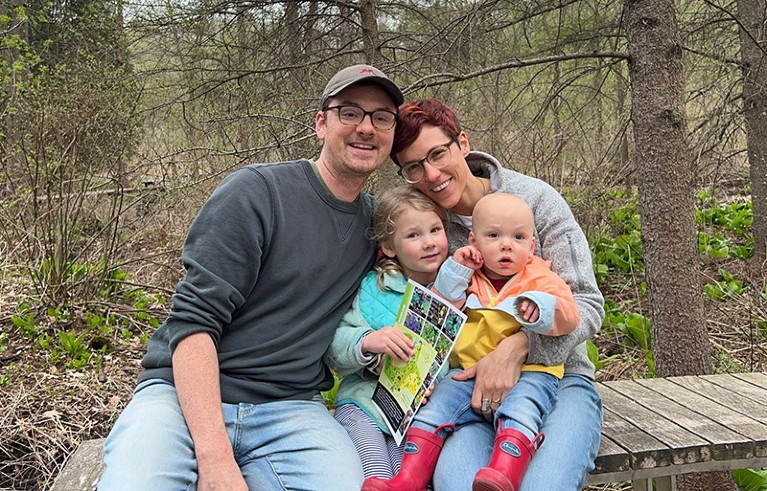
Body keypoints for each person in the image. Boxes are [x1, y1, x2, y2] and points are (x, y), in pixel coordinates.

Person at [96, 64, 404, 491]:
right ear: (321, 124)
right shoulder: (257, 193)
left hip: (292, 407)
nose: (366, 128)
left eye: (381, 117)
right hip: (187, 396)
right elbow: (193, 324)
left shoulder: (378, 225)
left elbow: (441, 247)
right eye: (349, 113)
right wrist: (215, 457)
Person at [388, 98, 605, 491]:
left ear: (463, 143)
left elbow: (587, 303)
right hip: (466, 387)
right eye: (414, 167)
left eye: (438, 154)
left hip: (556, 379)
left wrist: (519, 346)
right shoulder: (425, 227)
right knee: (460, 483)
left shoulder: (536, 200)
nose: (432, 174)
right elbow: (425, 310)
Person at [363, 192, 580, 491]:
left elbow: (571, 317)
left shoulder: (541, 279)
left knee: (522, 408)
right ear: (474, 241)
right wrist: (457, 267)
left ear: (531, 246)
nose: (506, 245)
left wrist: (543, 310)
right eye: (493, 236)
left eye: (518, 237)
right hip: (467, 371)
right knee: (433, 409)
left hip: (532, 371)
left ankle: (504, 473)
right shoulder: (472, 276)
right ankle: (408, 478)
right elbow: (444, 302)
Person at [324, 185, 450, 480]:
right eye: (413, 235)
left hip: (412, 419)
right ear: (389, 246)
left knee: (404, 478)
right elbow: (335, 350)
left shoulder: (457, 292)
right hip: (363, 405)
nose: (429, 243)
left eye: (435, 230)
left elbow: (456, 359)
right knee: (377, 475)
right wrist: (369, 342)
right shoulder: (374, 287)